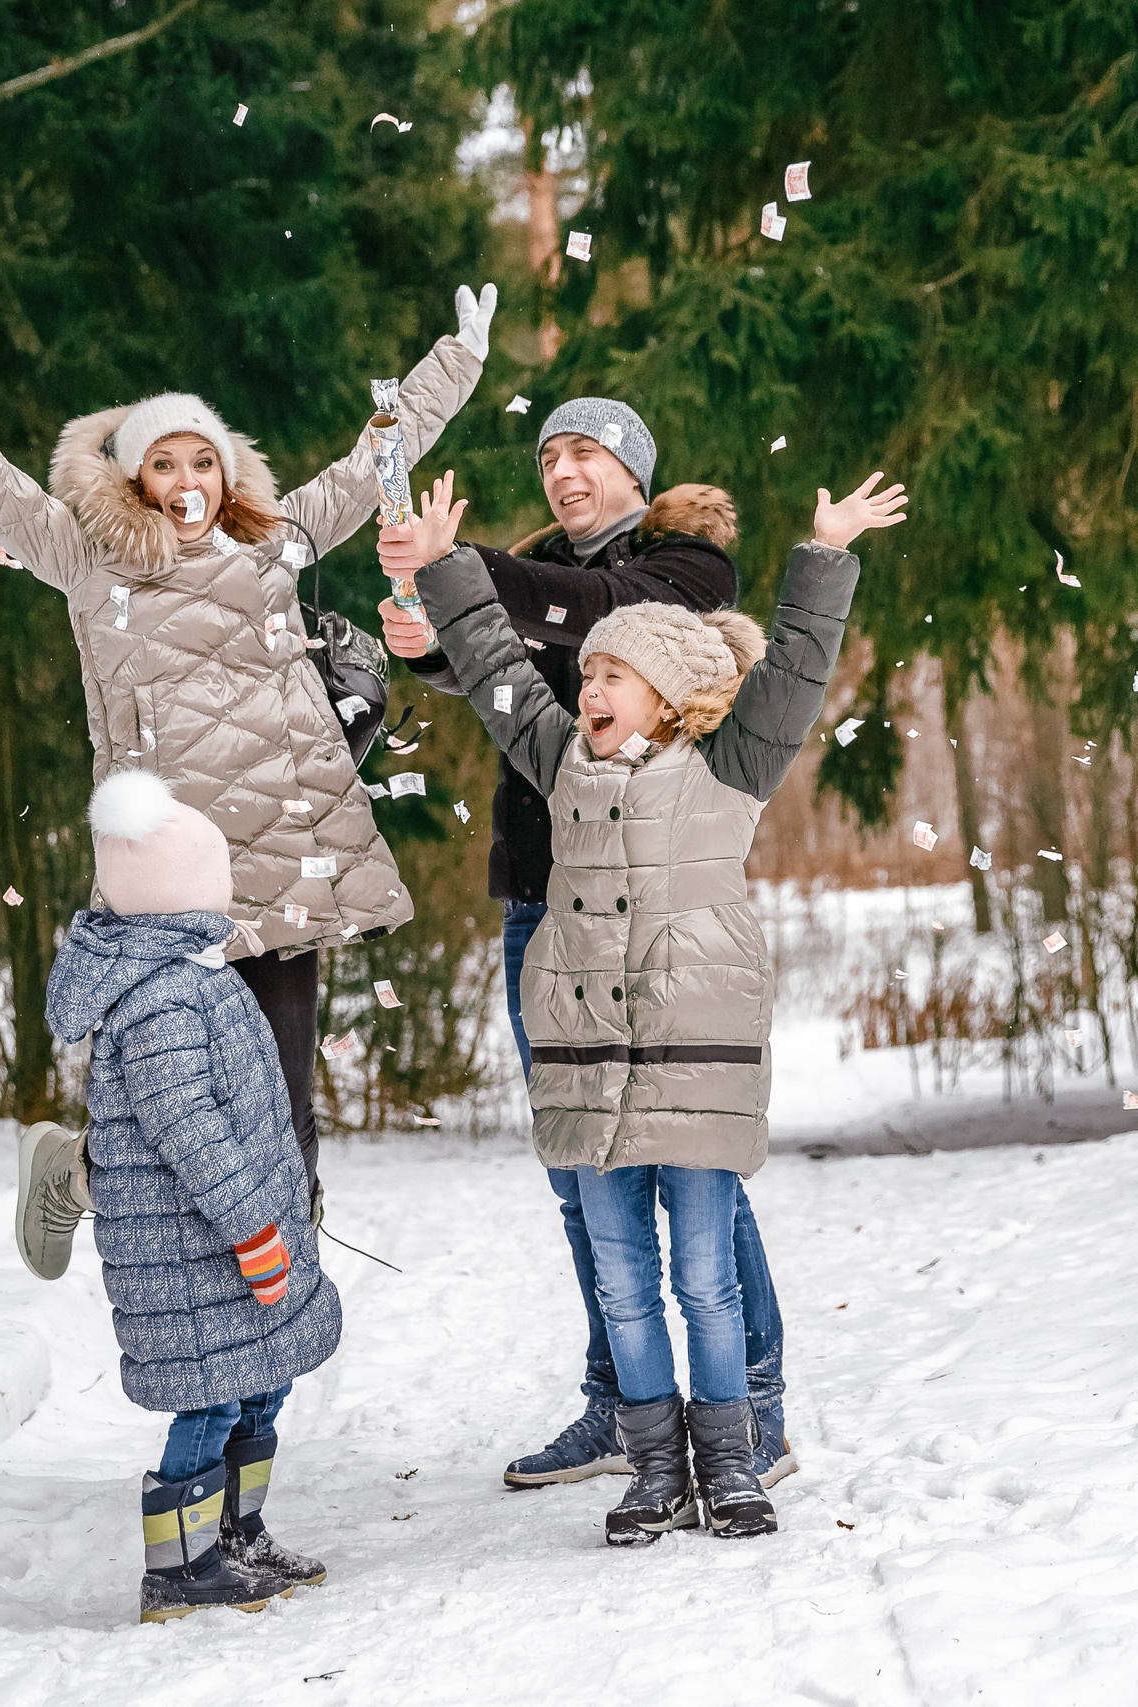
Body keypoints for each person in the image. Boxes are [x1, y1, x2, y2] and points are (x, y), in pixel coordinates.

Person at [0, 242, 493, 1275]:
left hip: (283, 871)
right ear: (132, 478)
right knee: (164, 1115)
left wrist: (458, 362)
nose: (185, 481)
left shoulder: (275, 543)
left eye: (202, 460)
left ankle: (275, 1333)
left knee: (281, 1113)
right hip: (167, 889)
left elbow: (370, 461)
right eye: (163, 463)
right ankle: (73, 1178)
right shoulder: (83, 559)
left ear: (227, 472)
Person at [395, 463, 907, 1544]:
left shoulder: (730, 770)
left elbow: (799, 673)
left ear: (670, 694)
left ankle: (732, 1463)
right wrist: (444, 569)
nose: (586, 690)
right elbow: (494, 673)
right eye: (585, 676)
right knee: (623, 1282)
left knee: (706, 1280)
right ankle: (651, 1469)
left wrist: (825, 556)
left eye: (613, 673)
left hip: (697, 1062)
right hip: (588, 1064)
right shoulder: (561, 768)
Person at [375, 401, 799, 1492]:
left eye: (586, 453)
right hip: (547, 908)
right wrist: (433, 644)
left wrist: (461, 571)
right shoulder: (530, 572)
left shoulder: (687, 569)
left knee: (696, 1164)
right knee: (582, 1172)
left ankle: (754, 1411)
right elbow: (517, 689)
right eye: (549, 455)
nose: (563, 470)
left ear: (633, 471)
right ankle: (620, 1406)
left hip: (661, 917)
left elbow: (602, 615)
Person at [45, 769, 342, 1622]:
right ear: (180, 896)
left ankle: (236, 1532)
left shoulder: (193, 973)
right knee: (211, 1397)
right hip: (198, 1249)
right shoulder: (160, 1001)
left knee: (261, 1378)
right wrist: (255, 1227)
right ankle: (180, 1567)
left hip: (224, 1242)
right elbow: (193, 1133)